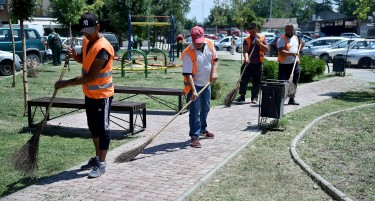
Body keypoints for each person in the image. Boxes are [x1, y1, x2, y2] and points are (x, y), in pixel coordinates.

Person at [54, 12, 114, 178]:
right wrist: (76, 56)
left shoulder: (104, 48)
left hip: (103, 95)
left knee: (103, 130)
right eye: (84, 31)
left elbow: (91, 76)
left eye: (89, 30)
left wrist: (65, 83)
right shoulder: (88, 40)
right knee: (93, 128)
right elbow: (85, 60)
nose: (86, 34)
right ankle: (96, 158)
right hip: (90, 94)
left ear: (98, 27)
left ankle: (102, 165)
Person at [181, 26, 219, 148]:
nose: (198, 44)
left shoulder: (209, 44)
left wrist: (214, 72)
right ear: (191, 40)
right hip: (194, 85)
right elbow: (188, 74)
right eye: (196, 42)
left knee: (206, 107)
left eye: (200, 41)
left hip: (206, 84)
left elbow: (215, 60)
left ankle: (203, 129)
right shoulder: (188, 52)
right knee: (194, 112)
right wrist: (193, 91)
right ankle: (194, 136)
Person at [235, 23, 268, 104]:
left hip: (258, 64)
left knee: (257, 81)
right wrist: (246, 58)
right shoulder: (246, 39)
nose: (251, 33)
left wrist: (259, 43)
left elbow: (266, 49)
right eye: (250, 32)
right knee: (243, 80)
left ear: (256, 30)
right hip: (248, 64)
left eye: (253, 32)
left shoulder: (262, 37)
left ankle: (254, 97)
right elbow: (245, 51)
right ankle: (242, 96)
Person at [276, 23, 304, 105]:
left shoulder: (296, 38)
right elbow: (281, 52)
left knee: (294, 82)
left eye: (291, 29)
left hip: (295, 64)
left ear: (293, 30)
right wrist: (292, 53)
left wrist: (301, 46)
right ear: (285, 30)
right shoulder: (281, 39)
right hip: (284, 65)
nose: (290, 31)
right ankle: (280, 100)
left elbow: (298, 50)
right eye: (288, 29)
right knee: (283, 82)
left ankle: (291, 99)